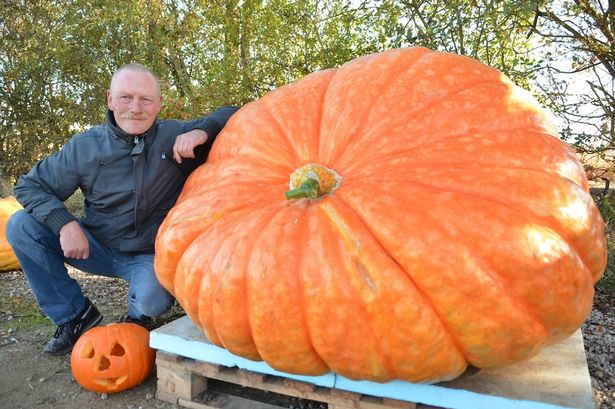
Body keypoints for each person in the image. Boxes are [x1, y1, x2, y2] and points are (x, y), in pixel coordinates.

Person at [6, 63, 238, 355]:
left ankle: (136, 319)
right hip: (96, 247)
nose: (135, 108)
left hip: (149, 255)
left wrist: (204, 131)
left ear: (158, 105)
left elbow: (235, 112)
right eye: (126, 97)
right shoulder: (85, 146)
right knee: (21, 226)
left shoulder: (175, 136)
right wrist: (64, 223)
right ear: (110, 100)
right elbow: (30, 186)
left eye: (146, 99)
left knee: (152, 301)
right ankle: (73, 316)